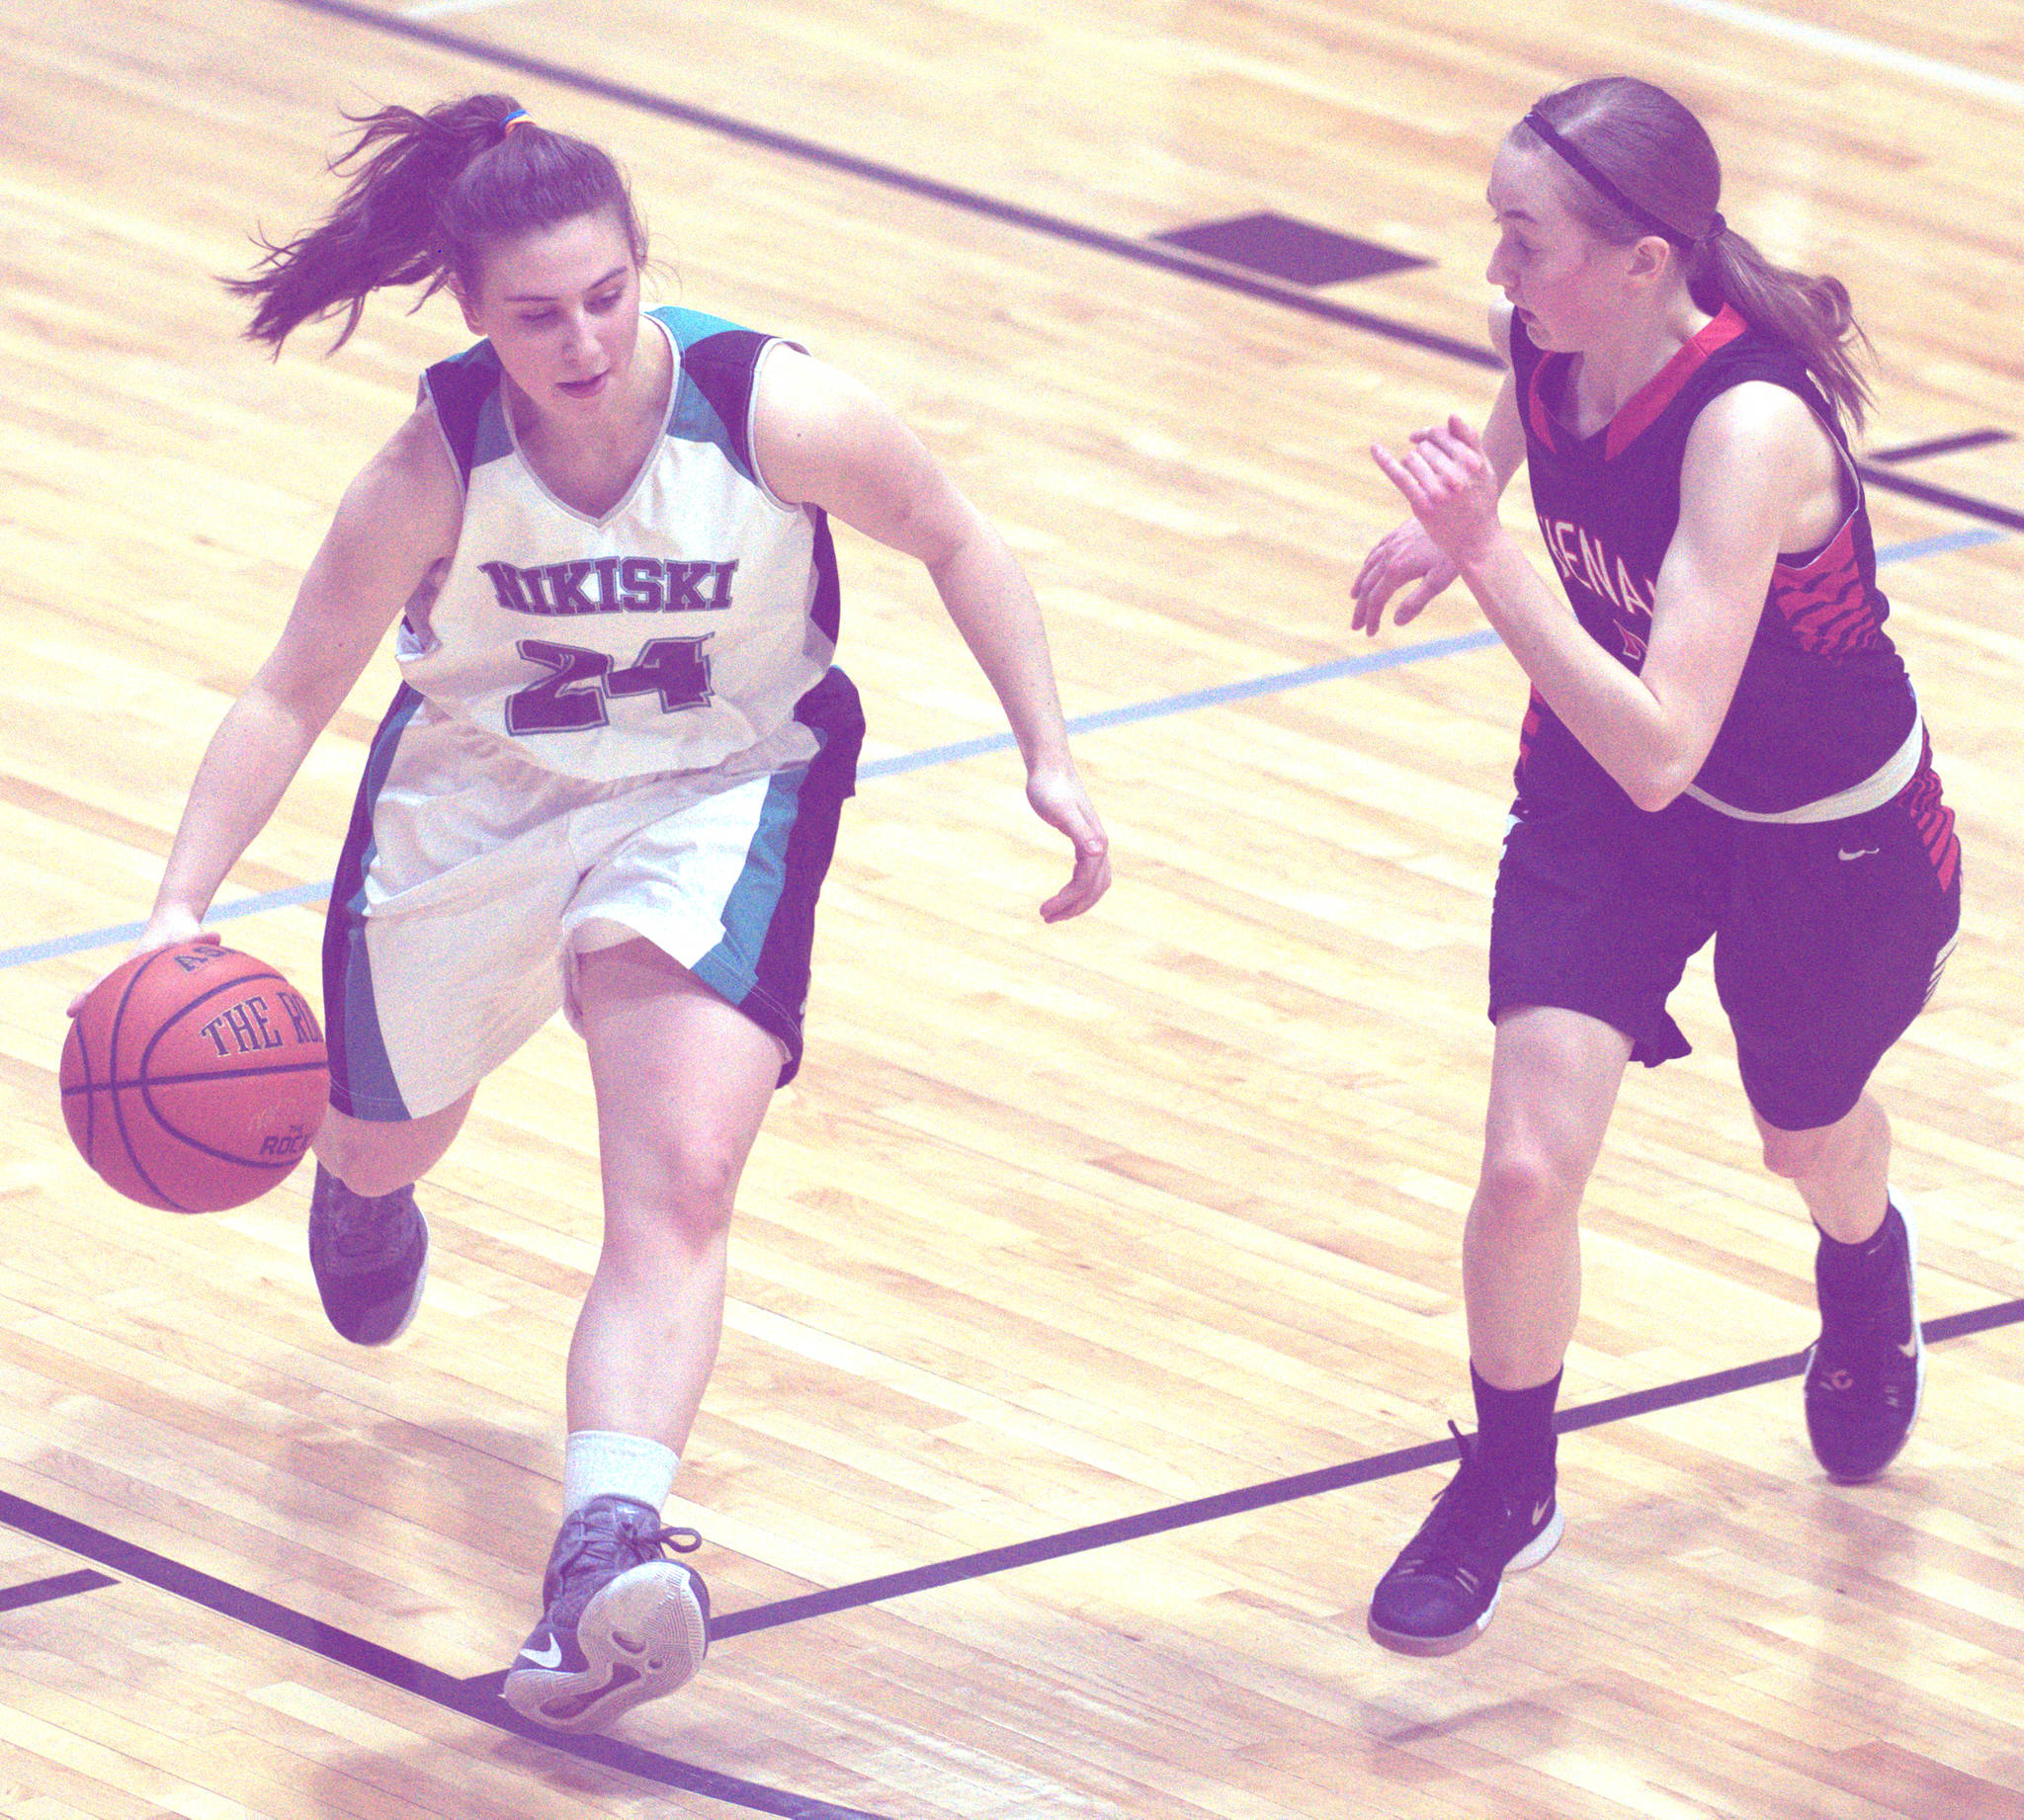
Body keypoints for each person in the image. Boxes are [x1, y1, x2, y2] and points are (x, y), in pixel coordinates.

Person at [88, 94, 1111, 1729]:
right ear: (476, 313)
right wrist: (174, 908)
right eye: (535, 314)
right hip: (478, 796)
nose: (578, 340)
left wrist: (1051, 756)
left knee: (682, 1171)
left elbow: (960, 539)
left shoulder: (769, 408)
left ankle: (604, 1551)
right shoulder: (433, 463)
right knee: (382, 1136)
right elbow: (291, 691)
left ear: (646, 269)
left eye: (606, 296)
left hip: (720, 782)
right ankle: (363, 1190)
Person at [1349, 75, 1960, 1657]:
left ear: (1643, 260)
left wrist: (1487, 554)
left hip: (1821, 829)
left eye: (1524, 240)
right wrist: (1457, 519)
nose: (1497, 272)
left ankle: (1865, 1252)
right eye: (1498, 228)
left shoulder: (1748, 424)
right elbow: (1527, 422)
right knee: (1527, 1166)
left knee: (1803, 1134)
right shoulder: (1546, 339)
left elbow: (1666, 740)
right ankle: (1505, 1480)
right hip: (1610, 796)